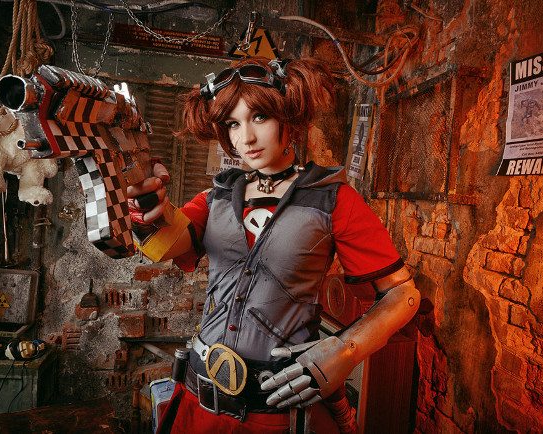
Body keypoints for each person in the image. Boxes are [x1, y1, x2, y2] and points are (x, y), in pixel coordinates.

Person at [127, 56, 420, 434]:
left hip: (277, 413)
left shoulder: (333, 199)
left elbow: (403, 295)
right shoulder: (215, 198)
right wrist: (146, 204)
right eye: (233, 123)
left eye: (259, 117)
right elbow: (164, 245)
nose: (245, 138)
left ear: (288, 116)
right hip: (197, 404)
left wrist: (345, 350)